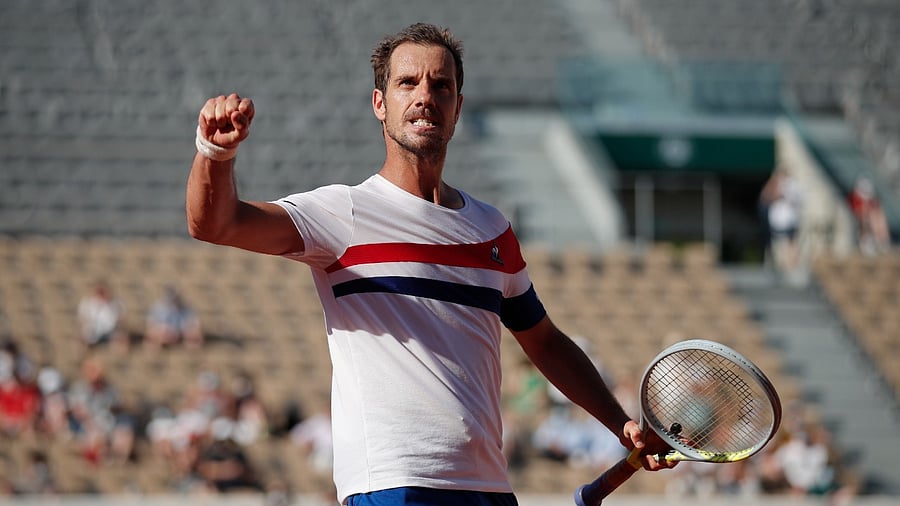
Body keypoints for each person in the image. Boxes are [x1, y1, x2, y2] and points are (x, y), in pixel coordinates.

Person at [185, 22, 675, 505]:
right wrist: (214, 153)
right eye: (407, 83)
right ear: (380, 103)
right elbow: (215, 224)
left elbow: (544, 340)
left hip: (489, 488)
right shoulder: (345, 212)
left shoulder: (492, 229)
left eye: (441, 85)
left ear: (457, 108)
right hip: (392, 485)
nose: (425, 96)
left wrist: (621, 423)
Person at [848, 176, 891, 255]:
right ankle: (868, 241)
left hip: (869, 221)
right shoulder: (855, 199)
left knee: (877, 217)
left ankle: (881, 241)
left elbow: (876, 208)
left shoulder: (870, 200)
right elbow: (858, 212)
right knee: (866, 218)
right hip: (862, 220)